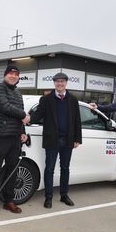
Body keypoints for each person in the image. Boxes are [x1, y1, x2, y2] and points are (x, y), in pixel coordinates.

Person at [30, 72, 82, 209]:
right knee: (50, 169)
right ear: (54, 83)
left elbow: (77, 120)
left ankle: (64, 195)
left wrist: (77, 138)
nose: (60, 84)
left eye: (62, 81)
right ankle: (48, 197)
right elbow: (37, 115)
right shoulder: (46, 100)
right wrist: (26, 118)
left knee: (65, 168)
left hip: (67, 140)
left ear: (66, 83)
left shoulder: (73, 99)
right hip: (52, 140)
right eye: (57, 81)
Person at [0, 64, 29, 216]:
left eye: (16, 74)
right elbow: (5, 106)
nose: (13, 76)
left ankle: (8, 200)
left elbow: (19, 118)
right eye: (10, 74)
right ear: (5, 75)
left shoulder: (18, 92)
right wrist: (24, 114)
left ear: (18, 77)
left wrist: (23, 132)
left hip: (14, 137)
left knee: (12, 170)